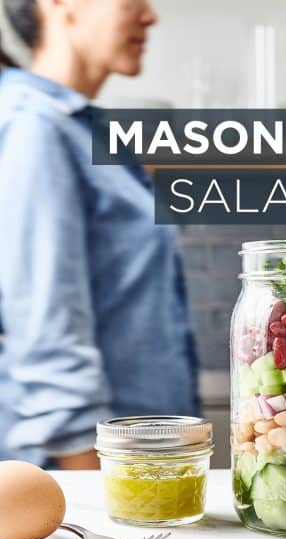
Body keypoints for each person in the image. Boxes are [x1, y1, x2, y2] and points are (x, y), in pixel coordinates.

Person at [0, 0, 199, 469]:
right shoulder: (35, 128)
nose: (150, 16)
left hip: (133, 464)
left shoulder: (79, 131)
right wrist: (88, 487)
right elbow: (46, 327)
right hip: (88, 475)